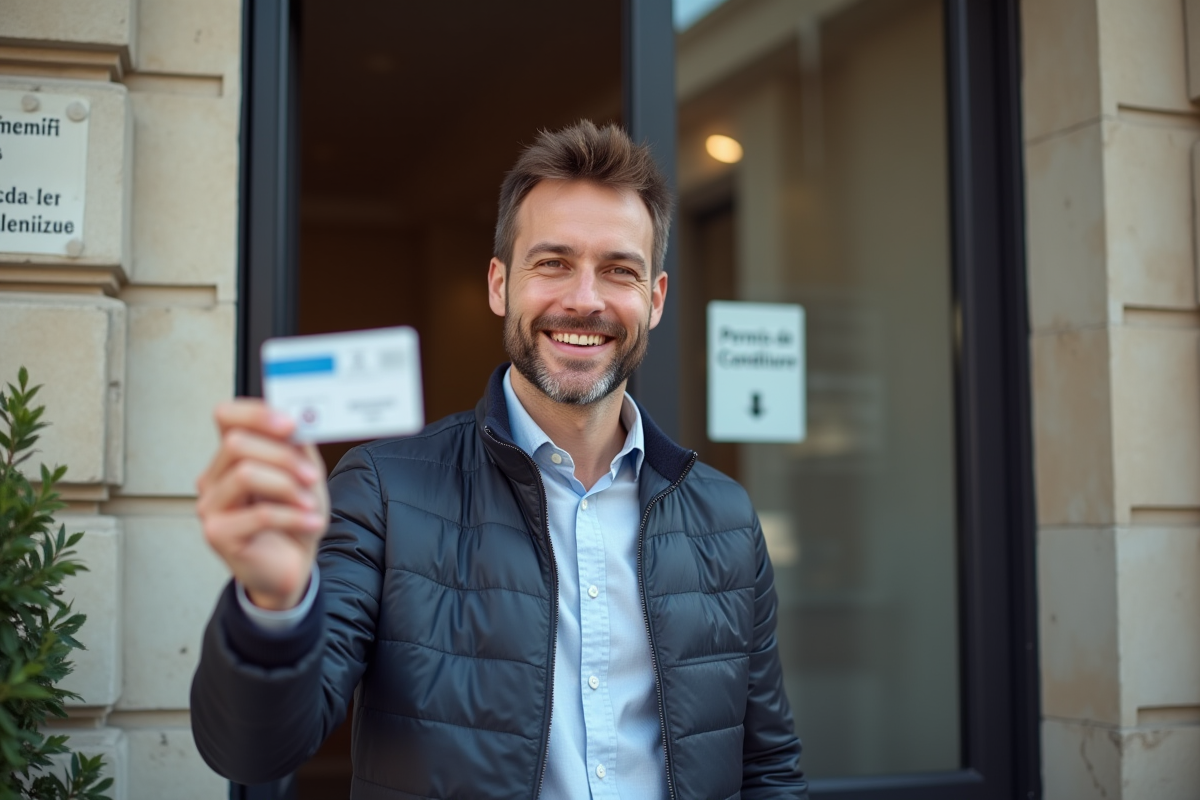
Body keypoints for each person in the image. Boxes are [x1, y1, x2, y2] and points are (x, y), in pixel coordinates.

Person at [191, 120, 808, 799]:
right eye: (552, 263)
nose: (585, 298)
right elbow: (254, 751)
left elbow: (767, 768)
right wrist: (275, 605)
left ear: (654, 300)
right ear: (498, 285)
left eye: (618, 270)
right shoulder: (384, 493)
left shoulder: (725, 515)